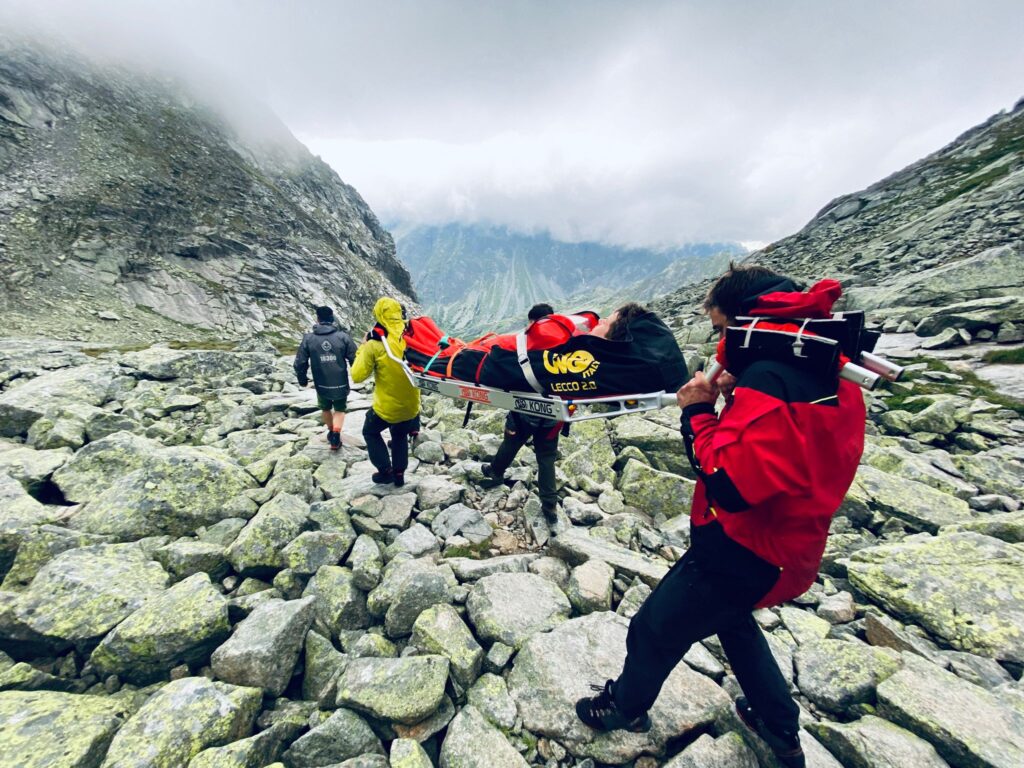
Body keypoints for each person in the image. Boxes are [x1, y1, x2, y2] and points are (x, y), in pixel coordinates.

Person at [574, 265, 866, 768]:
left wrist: (696, 411)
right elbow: (789, 450)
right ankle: (780, 728)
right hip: (790, 542)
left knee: (653, 628)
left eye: (720, 327)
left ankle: (625, 708)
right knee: (733, 624)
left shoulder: (772, 380)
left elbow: (729, 484)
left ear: (742, 319)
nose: (720, 342)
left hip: (743, 549)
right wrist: (739, 393)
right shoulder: (822, 365)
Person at [481, 302, 563, 519]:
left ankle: (495, 472)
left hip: (525, 410)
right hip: (553, 413)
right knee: (546, 457)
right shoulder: (566, 344)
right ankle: (550, 506)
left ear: (532, 322)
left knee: (511, 442)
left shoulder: (524, 344)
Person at [351, 297, 421, 487]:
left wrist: (363, 346)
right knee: (399, 434)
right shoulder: (411, 335)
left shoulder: (376, 342)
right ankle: (399, 474)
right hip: (412, 406)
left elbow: (357, 375)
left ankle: (385, 471)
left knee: (370, 431)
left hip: (387, 408)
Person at [294, 305, 358, 451]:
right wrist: (356, 375)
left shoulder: (309, 338)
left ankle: (330, 431)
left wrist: (302, 380)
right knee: (340, 409)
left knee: (325, 408)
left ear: (318, 319)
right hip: (340, 381)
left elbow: (300, 362)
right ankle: (336, 434)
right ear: (332, 318)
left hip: (321, 382)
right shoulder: (343, 337)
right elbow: (355, 357)